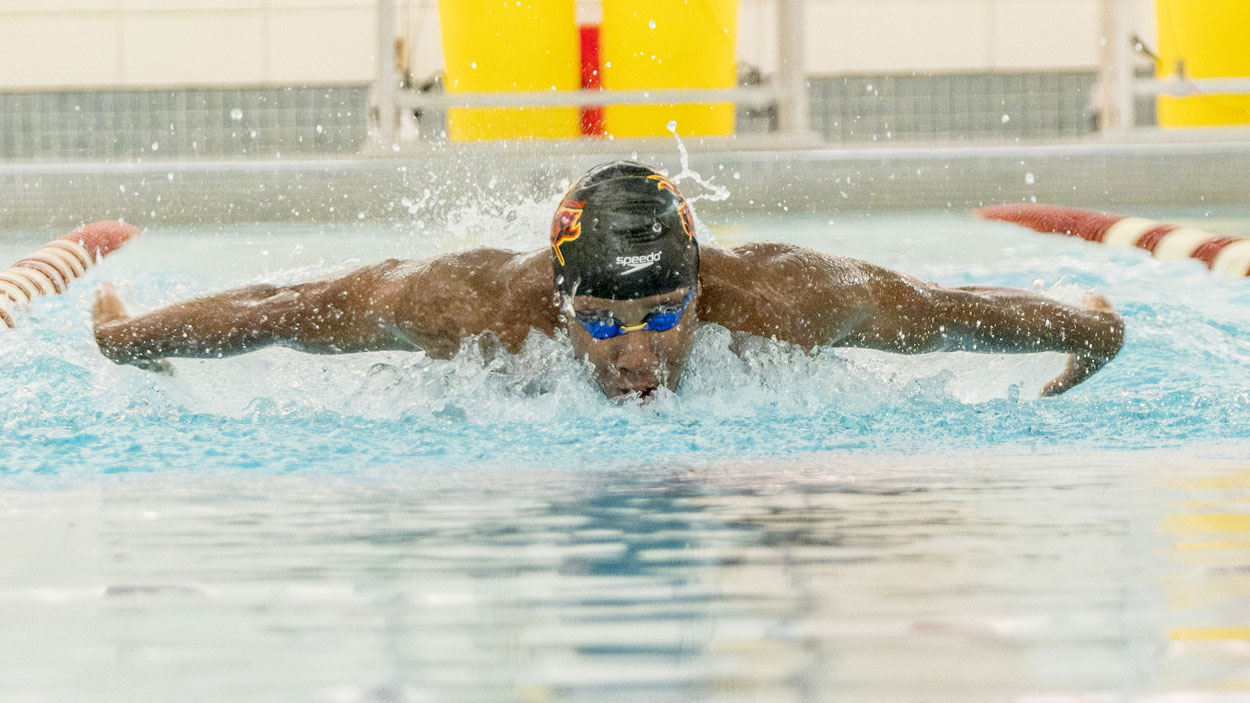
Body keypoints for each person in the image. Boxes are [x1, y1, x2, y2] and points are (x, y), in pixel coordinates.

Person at [93, 161, 1125, 400]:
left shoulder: (782, 297)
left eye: (663, 313)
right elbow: (285, 314)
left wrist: (1088, 334)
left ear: (700, 284)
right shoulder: (473, 305)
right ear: (554, 295)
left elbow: (951, 314)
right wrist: (128, 336)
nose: (633, 350)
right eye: (600, 319)